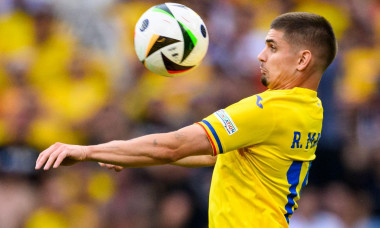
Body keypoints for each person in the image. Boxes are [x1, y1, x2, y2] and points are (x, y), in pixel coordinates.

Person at [35, 12, 337, 227]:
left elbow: (175, 146)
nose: (260, 55)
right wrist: (128, 154)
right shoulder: (311, 109)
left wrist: (88, 151)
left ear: (302, 59)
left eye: (272, 47)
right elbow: (210, 156)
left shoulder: (269, 109)